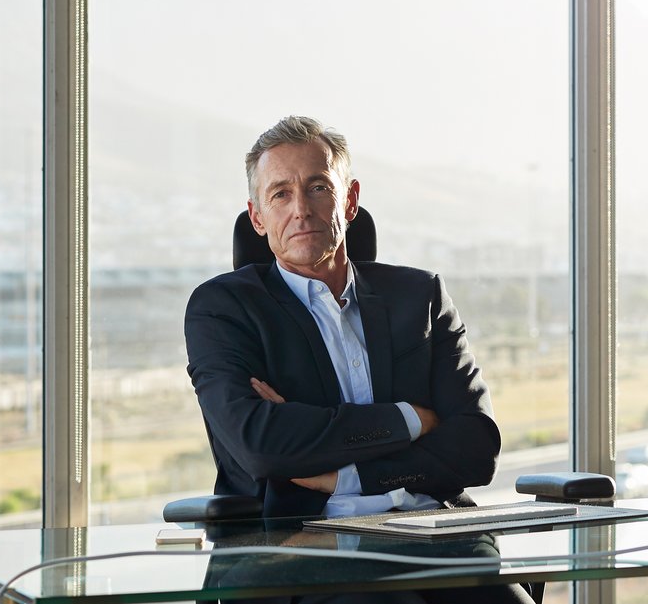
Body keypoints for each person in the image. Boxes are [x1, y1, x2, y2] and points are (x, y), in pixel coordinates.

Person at [185, 116, 534, 602]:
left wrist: (344, 471)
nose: (301, 209)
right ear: (257, 217)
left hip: (438, 537)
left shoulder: (420, 296)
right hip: (304, 548)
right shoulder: (223, 309)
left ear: (349, 200)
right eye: (280, 194)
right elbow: (262, 446)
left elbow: (476, 446)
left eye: (318, 187)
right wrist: (410, 419)